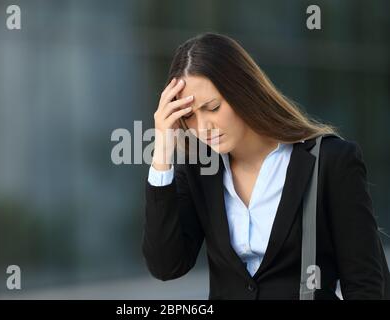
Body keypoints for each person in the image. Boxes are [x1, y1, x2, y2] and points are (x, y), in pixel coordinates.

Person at [141, 32, 390, 299]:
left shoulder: (330, 160)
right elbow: (166, 266)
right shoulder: (201, 169)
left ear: (243, 92)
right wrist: (162, 155)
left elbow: (365, 284)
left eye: (212, 107)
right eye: (189, 115)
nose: (203, 127)